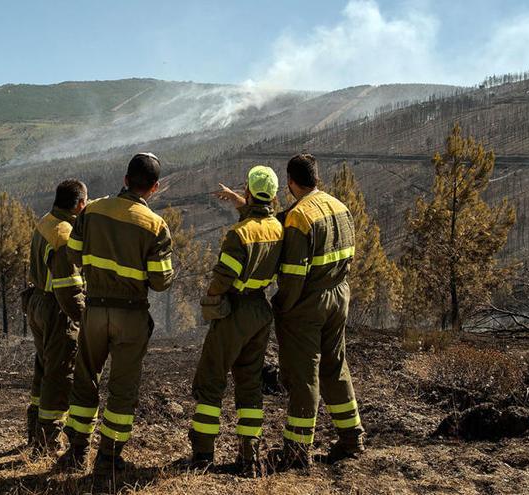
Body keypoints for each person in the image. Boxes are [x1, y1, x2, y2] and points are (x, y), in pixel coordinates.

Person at [59, 152, 174, 476]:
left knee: (85, 380)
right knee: (122, 389)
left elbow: (74, 254)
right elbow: (161, 281)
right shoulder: (155, 226)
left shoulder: (92, 211)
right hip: (131, 317)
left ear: (125, 180)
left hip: (94, 312)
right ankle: (108, 458)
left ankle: (76, 452)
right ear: (154, 187)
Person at [272, 153, 366, 468]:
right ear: (316, 178)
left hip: (309, 302)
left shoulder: (300, 219)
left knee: (304, 375)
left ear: (289, 182)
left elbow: (294, 275)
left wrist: (283, 306)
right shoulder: (340, 207)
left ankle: (297, 451)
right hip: (340, 295)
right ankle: (352, 437)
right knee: (335, 366)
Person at [188, 165, 283, 477]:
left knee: (212, 379)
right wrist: (237, 200)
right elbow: (260, 220)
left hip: (235, 310)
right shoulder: (279, 228)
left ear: (248, 192)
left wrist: (212, 296)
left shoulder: (238, 235)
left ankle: (203, 454)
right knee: (250, 382)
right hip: (260, 311)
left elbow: (224, 276)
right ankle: (249, 455)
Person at [24, 179, 87, 454]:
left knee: (43, 367)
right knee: (59, 374)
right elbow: (69, 288)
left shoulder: (46, 221)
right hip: (56, 309)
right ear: (80, 204)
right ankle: (47, 442)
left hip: (37, 302)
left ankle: (34, 428)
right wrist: (84, 318)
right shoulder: (64, 235)